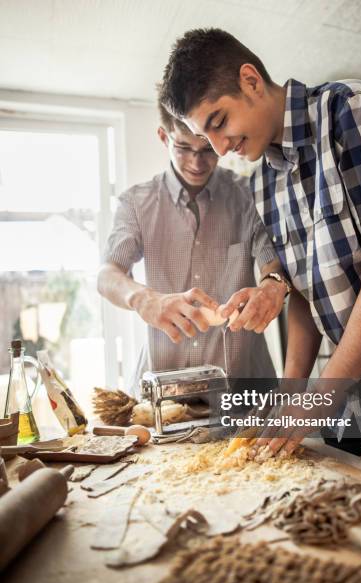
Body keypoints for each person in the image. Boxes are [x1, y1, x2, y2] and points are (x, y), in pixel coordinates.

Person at [159, 28, 361, 459]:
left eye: (219, 122)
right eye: (206, 137)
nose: (220, 148)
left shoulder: (349, 110)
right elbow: (306, 294)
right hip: (355, 408)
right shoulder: (264, 178)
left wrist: (316, 400)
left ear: (250, 80)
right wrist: (291, 397)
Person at [98, 103, 289, 392]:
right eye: (184, 148)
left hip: (244, 386)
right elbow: (107, 275)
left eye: (207, 150)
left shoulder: (250, 195)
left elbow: (273, 266)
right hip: (165, 388)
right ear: (164, 137)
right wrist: (143, 299)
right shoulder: (136, 203)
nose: (197, 163)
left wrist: (270, 288)